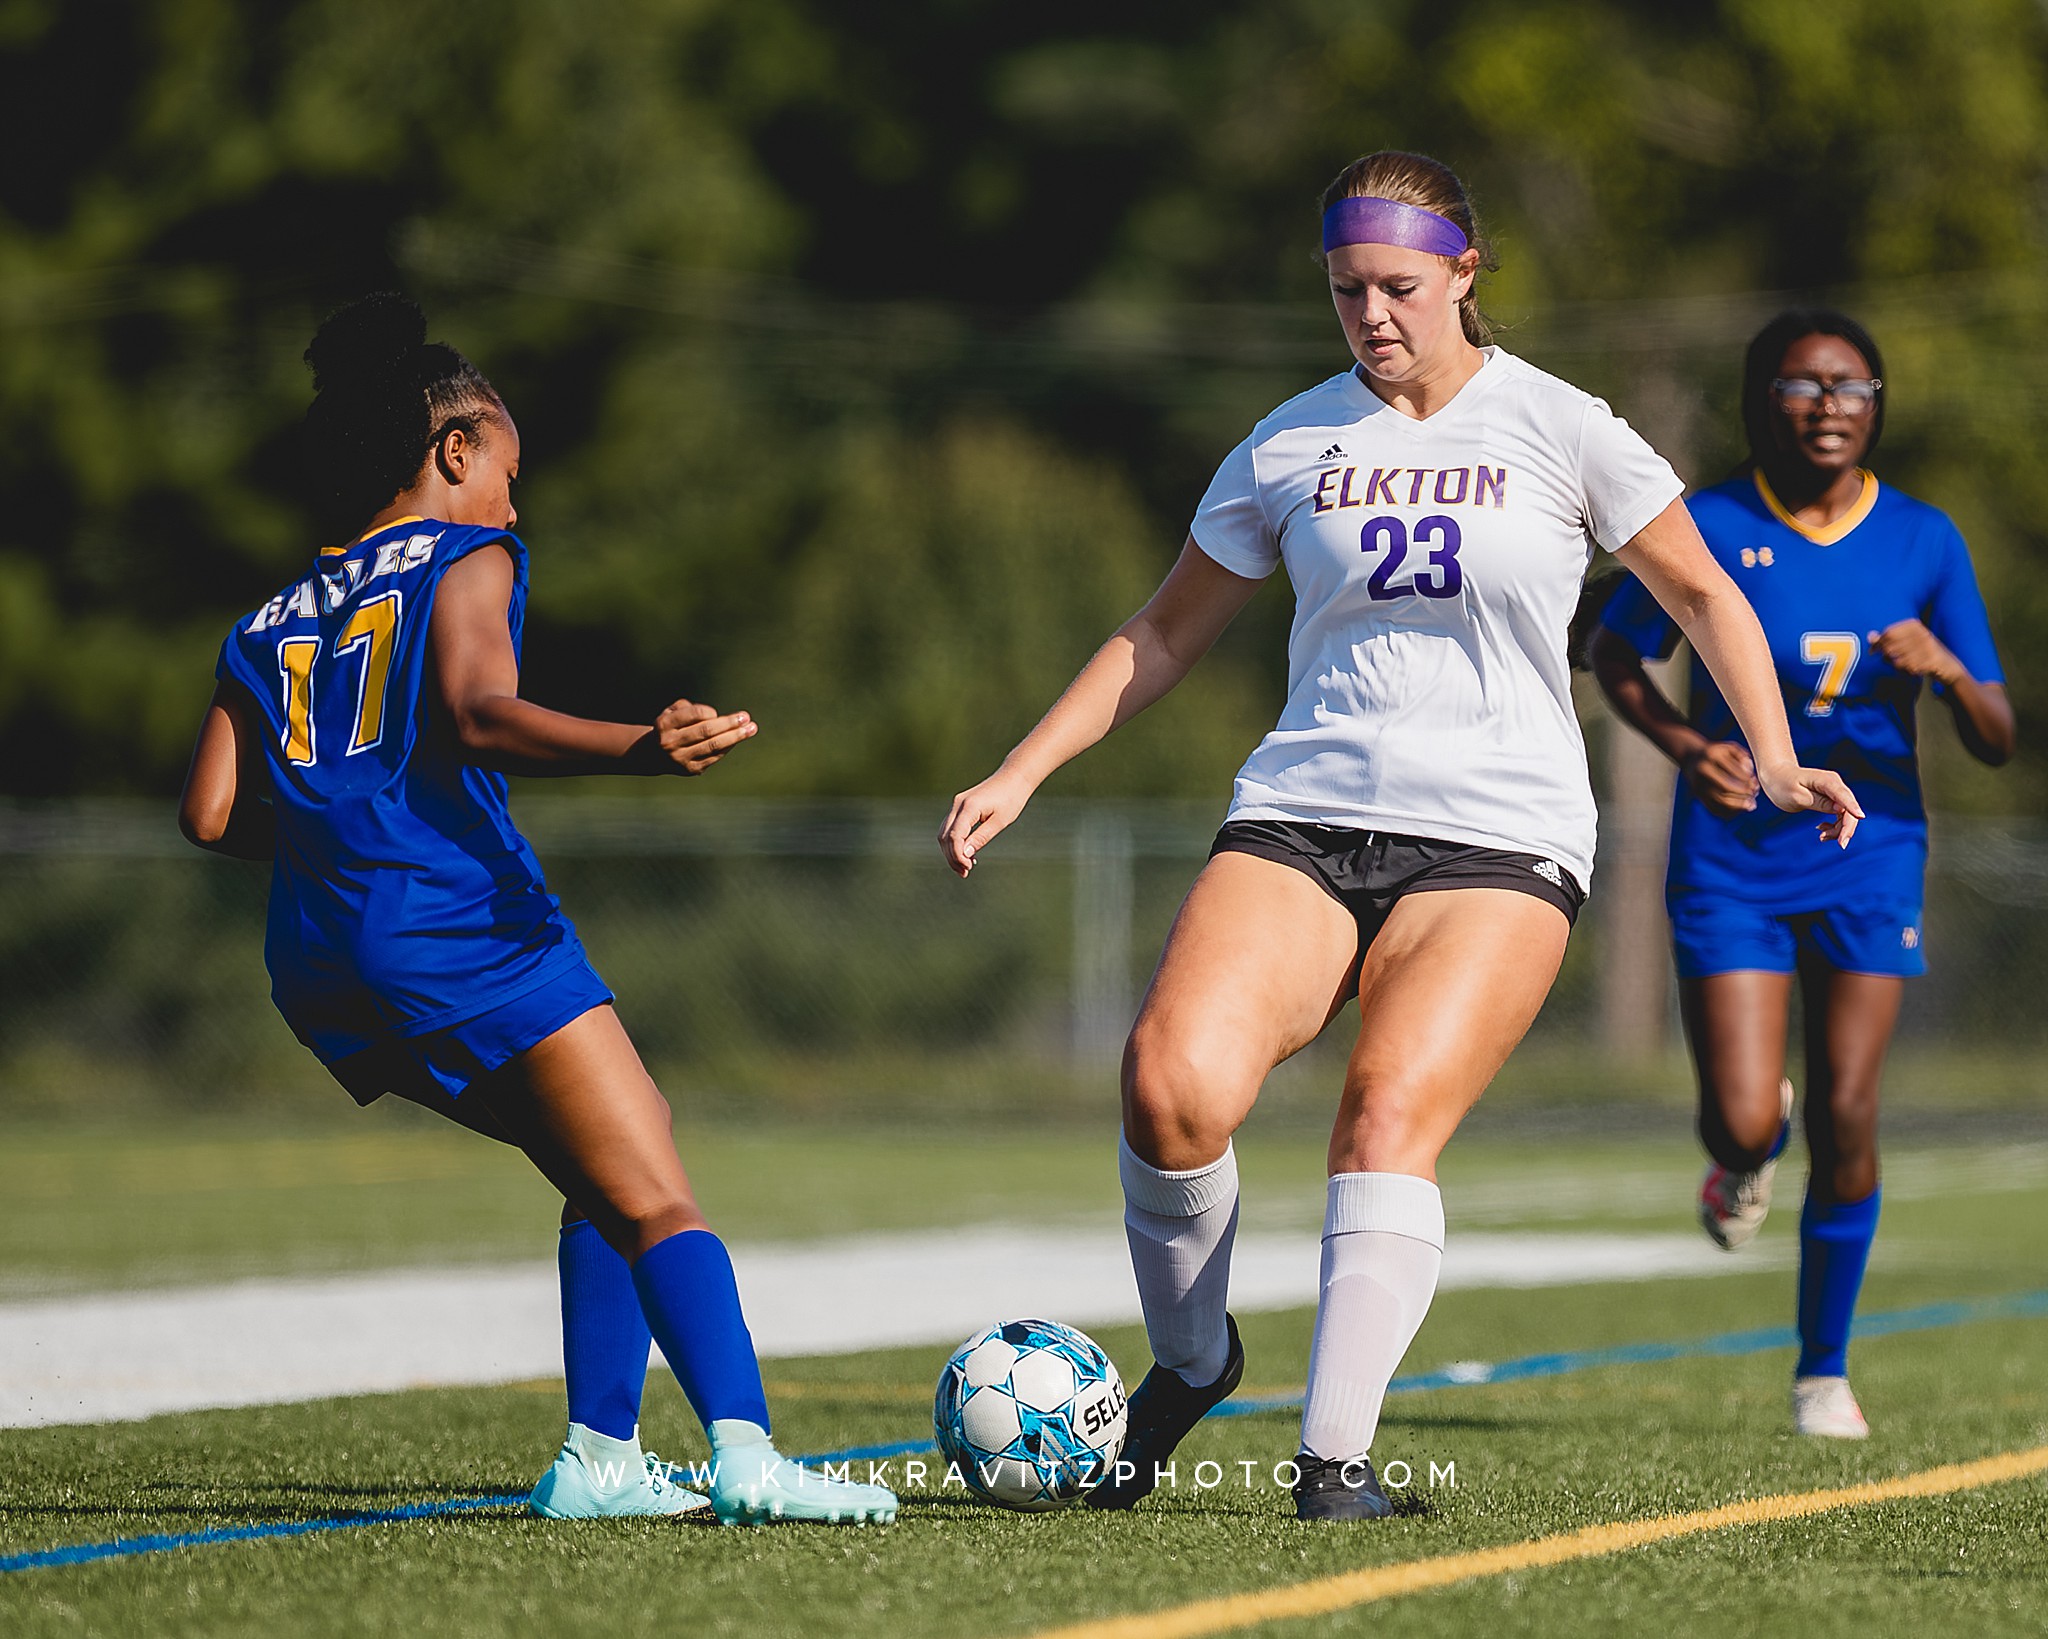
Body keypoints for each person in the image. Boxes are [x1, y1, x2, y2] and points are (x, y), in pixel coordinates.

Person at [939, 151, 1862, 1523]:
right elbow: (1165, 627)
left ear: (1465, 275)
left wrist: (1778, 759)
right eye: (1345, 290)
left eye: (1397, 287)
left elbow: (1709, 597)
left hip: (1500, 833)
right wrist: (1025, 765)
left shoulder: (1564, 426)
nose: (1371, 315)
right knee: (1168, 1082)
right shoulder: (1291, 441)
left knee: (1383, 1115)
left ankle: (1333, 1461)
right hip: (1306, 810)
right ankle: (1193, 1363)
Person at [178, 293, 897, 1527]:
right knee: (655, 1184)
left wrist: (344, 827)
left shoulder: (270, 616)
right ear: (456, 451)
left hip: (319, 959)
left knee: (605, 1165)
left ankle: (601, 1455)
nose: (516, 501)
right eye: (509, 469)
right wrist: (637, 743)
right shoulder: (470, 554)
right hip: (463, 929)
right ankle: (746, 1452)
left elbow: (209, 814)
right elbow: (475, 710)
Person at [1592, 310, 2012, 1439]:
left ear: (1876, 403)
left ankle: (1820, 1370)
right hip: (1729, 856)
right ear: (1755, 401)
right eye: (1800, 384)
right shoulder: (1710, 523)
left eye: (1852, 385)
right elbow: (1614, 650)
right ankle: (1739, 1158)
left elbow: (1997, 733)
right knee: (1741, 1118)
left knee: (1848, 1109)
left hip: (1868, 850)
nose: (1829, 404)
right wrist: (1688, 748)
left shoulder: (1923, 539)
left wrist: (1946, 671)